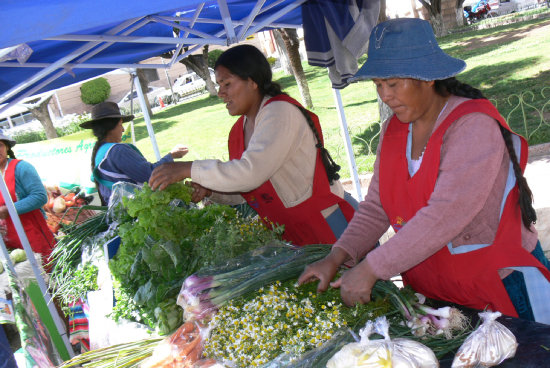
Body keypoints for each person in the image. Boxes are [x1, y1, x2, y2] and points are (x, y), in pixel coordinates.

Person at [298, 18, 550, 324]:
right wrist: (337, 256)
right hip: (436, 285)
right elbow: (377, 207)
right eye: (378, 84)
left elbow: (446, 214)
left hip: (498, 283)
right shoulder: (394, 129)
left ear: (427, 78)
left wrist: (371, 268)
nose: (385, 95)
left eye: (393, 83)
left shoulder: (472, 126)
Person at [149, 45, 357, 246]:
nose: (221, 93)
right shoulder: (239, 130)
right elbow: (249, 188)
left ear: (252, 82)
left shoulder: (279, 113)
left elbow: (251, 173)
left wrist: (188, 168)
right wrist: (211, 191)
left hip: (327, 221)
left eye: (227, 84)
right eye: (219, 85)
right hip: (291, 229)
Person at [80, 102, 188, 205]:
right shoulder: (117, 151)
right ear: (111, 127)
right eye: (120, 124)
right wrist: (172, 155)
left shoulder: (101, 151)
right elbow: (150, 175)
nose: (122, 129)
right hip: (131, 211)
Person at [0, 133, 55, 264]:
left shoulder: (21, 168)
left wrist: (10, 209)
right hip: (9, 241)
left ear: (7, 147)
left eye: (0, 145)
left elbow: (40, 196)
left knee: (46, 270)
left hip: (33, 234)